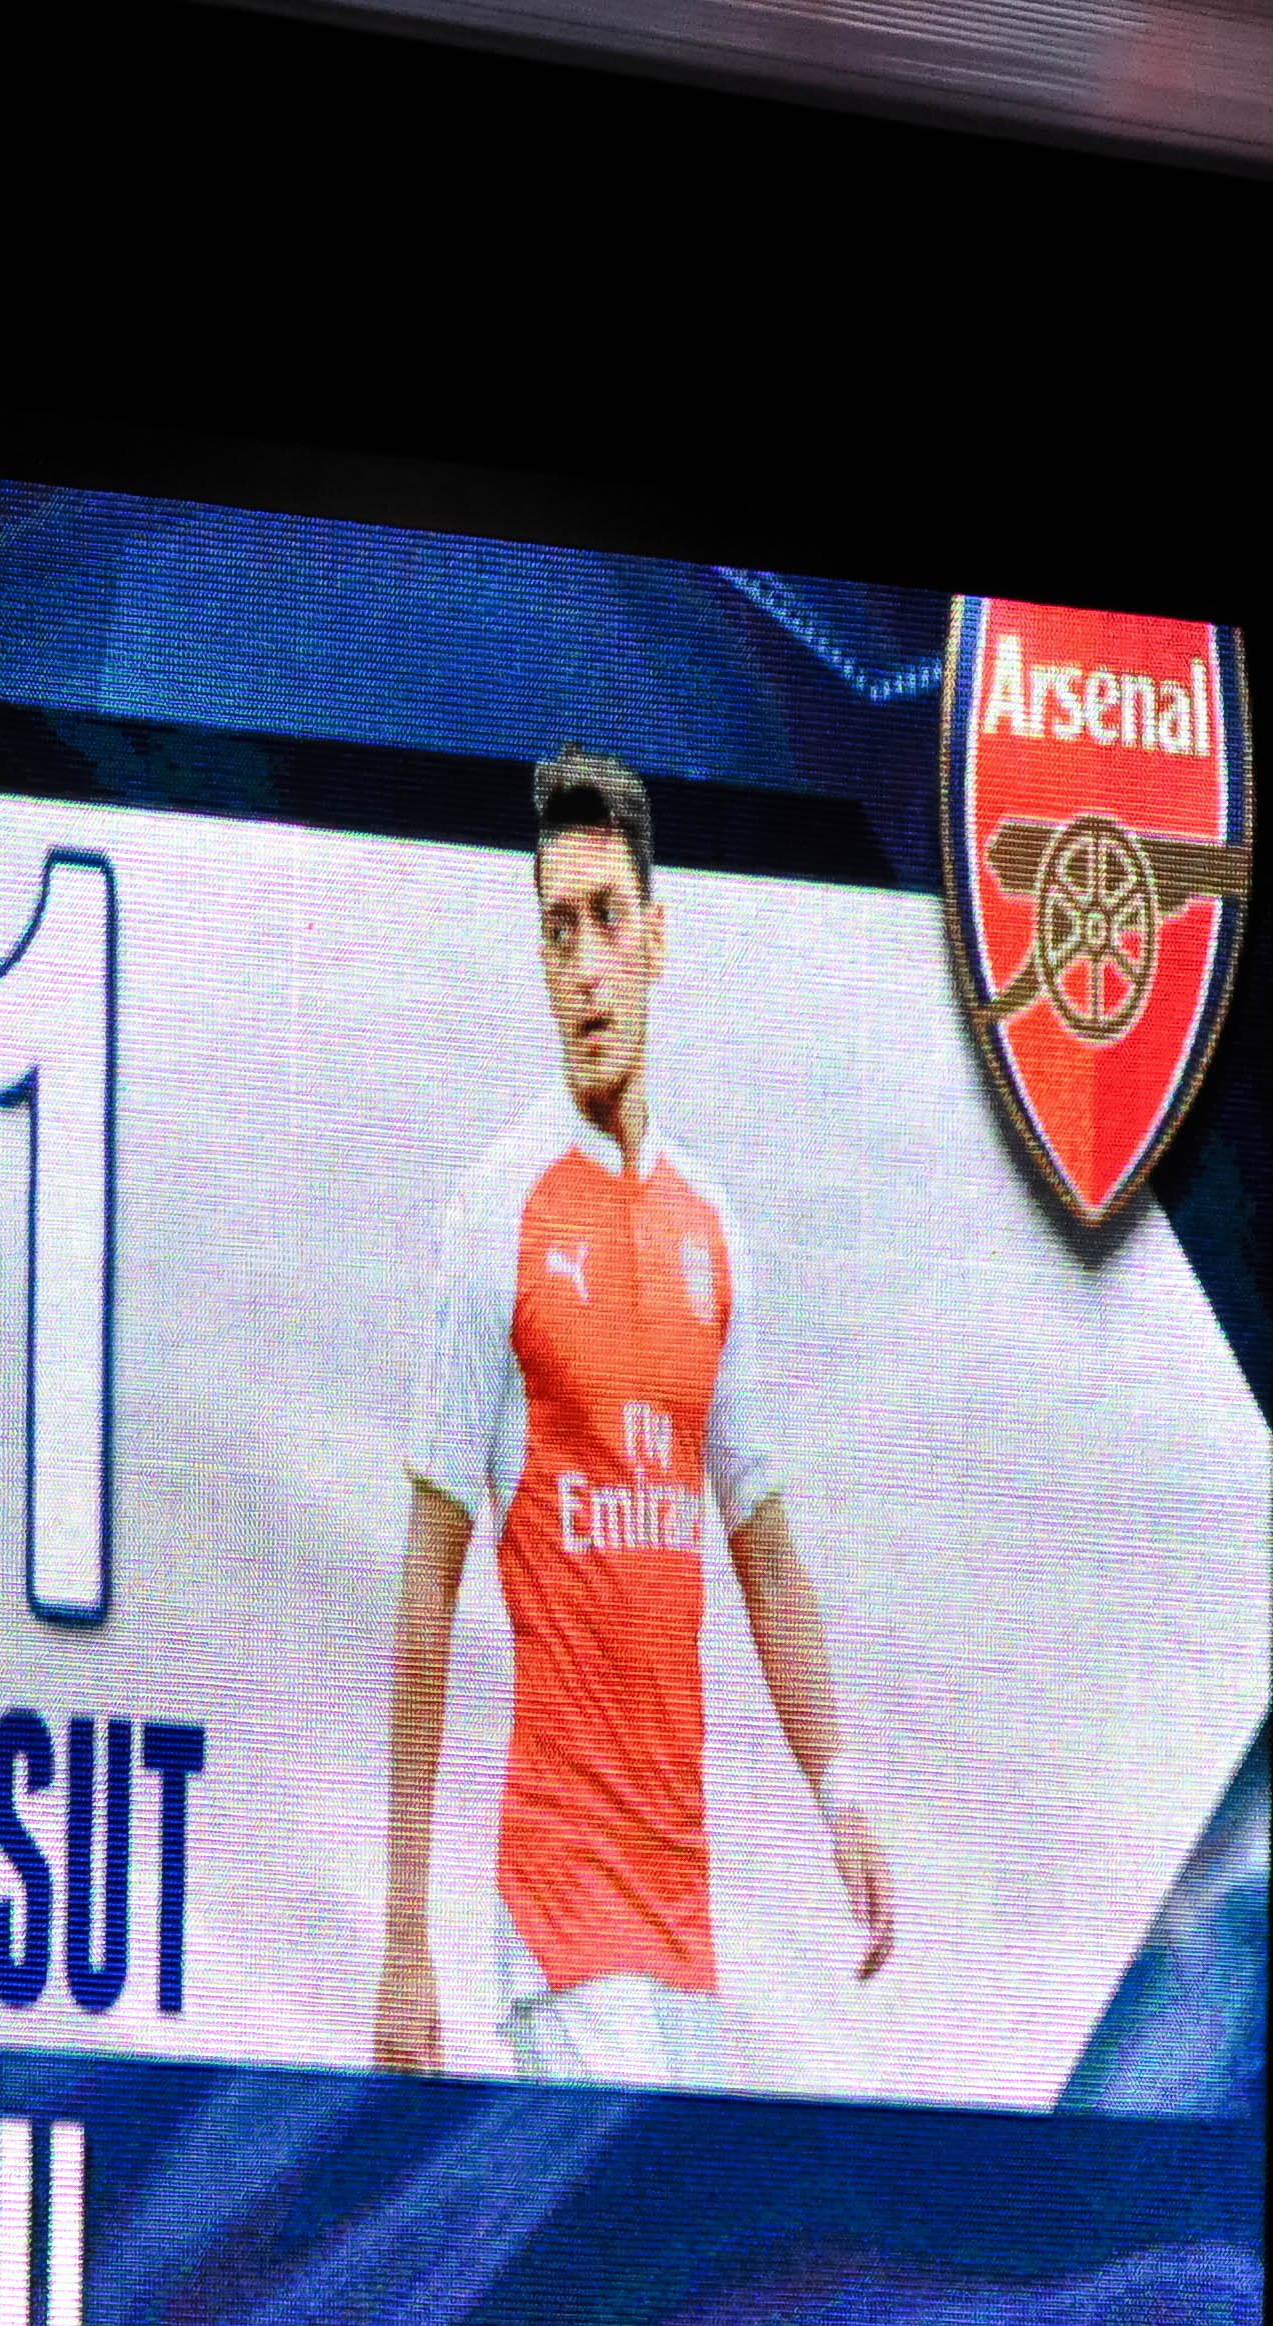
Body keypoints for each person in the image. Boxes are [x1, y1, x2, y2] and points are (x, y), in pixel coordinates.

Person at [377, 746, 895, 2086]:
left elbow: (765, 1552)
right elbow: (427, 1590)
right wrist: (404, 1936)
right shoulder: (497, 1215)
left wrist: (839, 1789)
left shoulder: (709, 1228)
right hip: (559, 1906)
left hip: (682, 1910)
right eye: (559, 931)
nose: (587, 965)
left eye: (608, 919)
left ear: (657, 940)